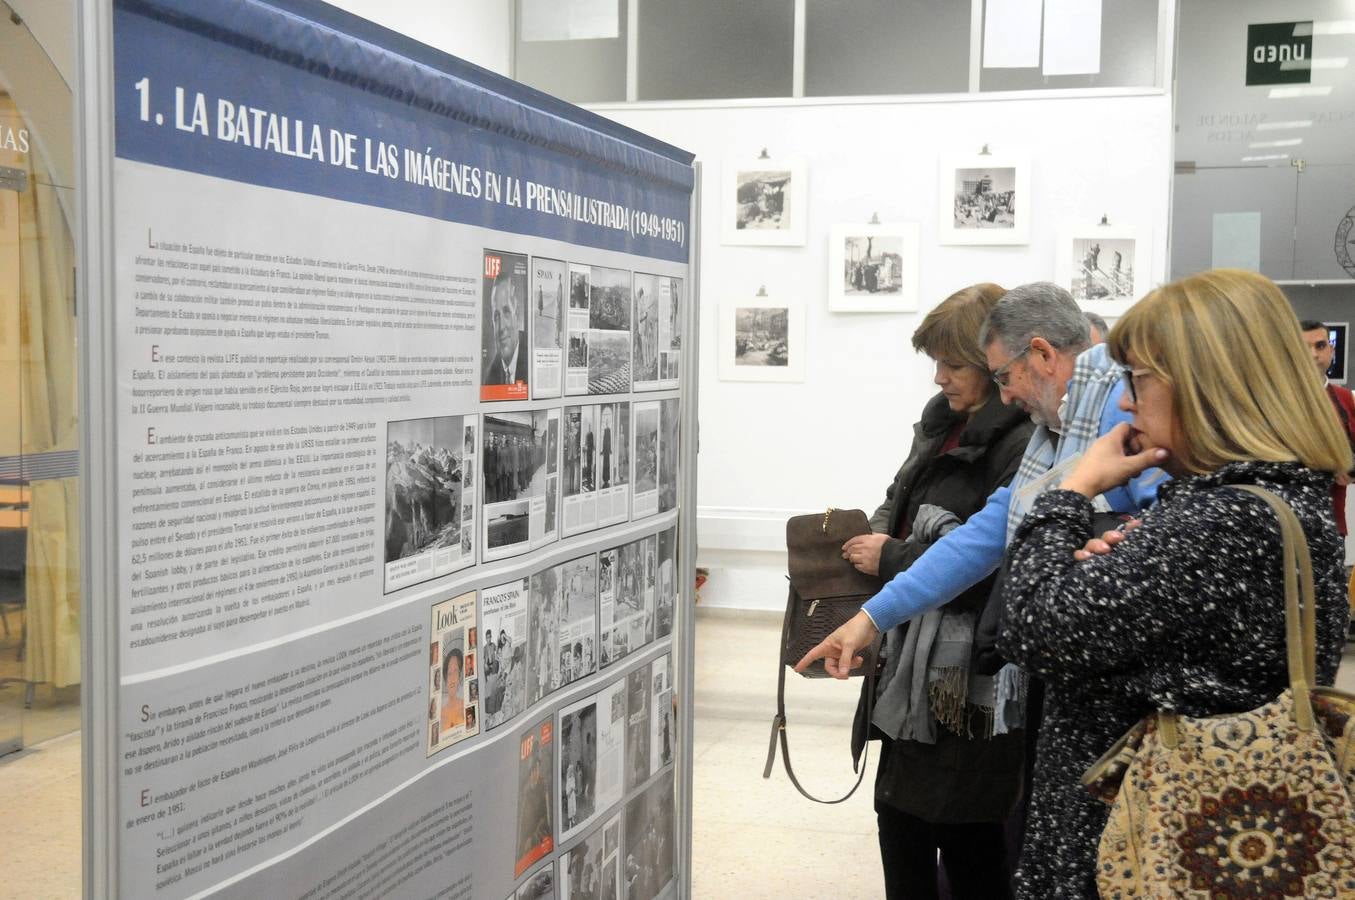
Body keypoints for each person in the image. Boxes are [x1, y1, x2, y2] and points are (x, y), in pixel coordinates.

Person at [999, 269, 1351, 897]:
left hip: (1145, 848)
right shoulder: (1276, 496)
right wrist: (1117, 566)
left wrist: (1073, 489)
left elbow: (1031, 625)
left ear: (1202, 384)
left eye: (1138, 379)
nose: (1127, 402)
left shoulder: (1224, 519)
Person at [839, 282, 1035, 898]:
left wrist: (893, 556)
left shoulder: (1023, 445)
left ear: (988, 362)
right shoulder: (944, 426)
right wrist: (875, 531)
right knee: (902, 826)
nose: (939, 378)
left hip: (968, 684)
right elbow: (902, 502)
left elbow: (999, 565)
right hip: (912, 672)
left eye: (951, 364)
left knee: (969, 845)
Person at [1299, 319, 1355, 535]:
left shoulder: (1347, 400)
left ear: (1331, 350)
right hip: (1281, 526)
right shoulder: (1272, 402)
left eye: (1320, 346)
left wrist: (1350, 470)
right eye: (1304, 348)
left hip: (1331, 525)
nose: (1313, 355)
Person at [484, 272, 528, 385]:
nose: (501, 327)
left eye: (507, 311)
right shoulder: (490, 378)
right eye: (496, 316)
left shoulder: (531, 358)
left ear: (517, 314)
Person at [440, 648, 465, 731]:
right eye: (449, 673)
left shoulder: (466, 705)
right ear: (445, 678)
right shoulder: (440, 713)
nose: (452, 677)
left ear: (460, 676)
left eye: (456, 671)